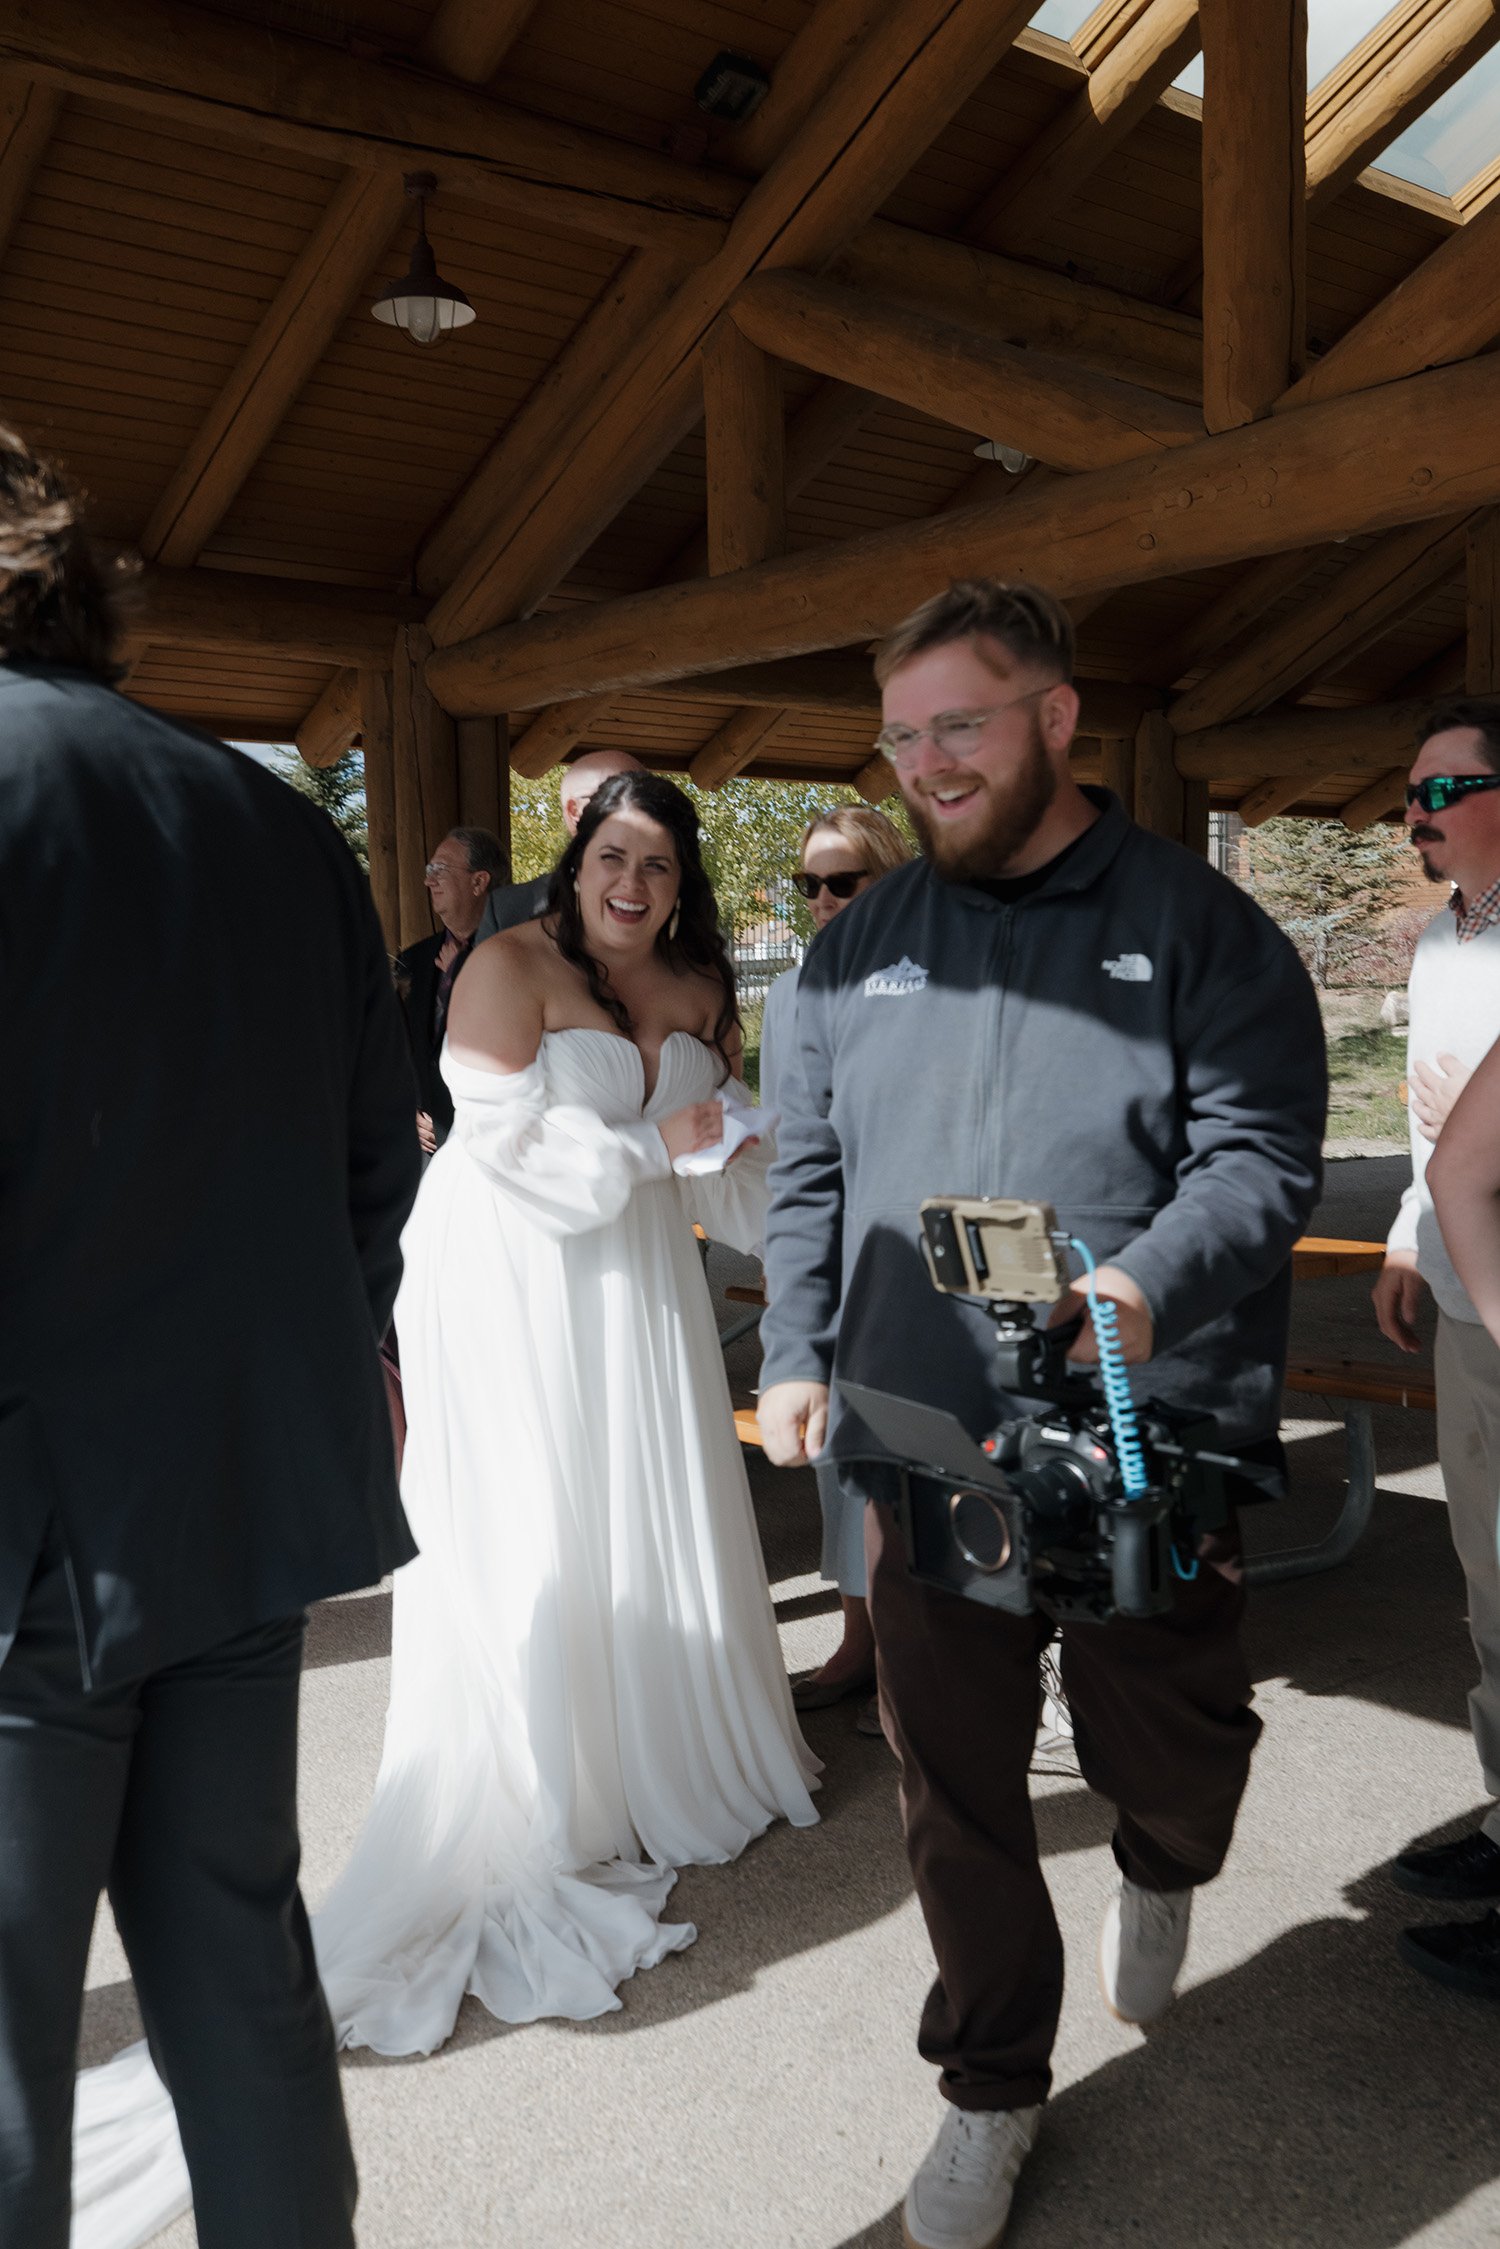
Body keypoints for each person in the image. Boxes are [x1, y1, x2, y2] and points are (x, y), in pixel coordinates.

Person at [757, 579, 1325, 2249]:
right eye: (905, 729)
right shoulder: (851, 949)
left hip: (1145, 1424)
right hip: (922, 1426)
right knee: (956, 1779)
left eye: (965, 721)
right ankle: (991, 2081)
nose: (929, 760)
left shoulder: (1201, 923)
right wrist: (799, 1343)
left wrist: (1146, 1279)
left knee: (1176, 1746)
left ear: (1057, 716)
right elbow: (808, 1173)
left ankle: (1163, 1856)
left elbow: (1262, 1155)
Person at [0, 424, 421, 2248]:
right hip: (243, 1495)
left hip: (24, 1529)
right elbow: (373, 1169)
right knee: (241, 1965)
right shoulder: (277, 821)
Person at [308, 767, 819, 2050]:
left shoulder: (704, 982)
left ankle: (663, 1747)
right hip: (513, 1278)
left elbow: (720, 1148)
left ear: (680, 882)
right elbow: (507, 1149)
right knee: (539, 1508)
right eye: (614, 858)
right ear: (575, 858)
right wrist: (662, 1141)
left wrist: (763, 1171)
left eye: (658, 865)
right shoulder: (505, 966)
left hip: (640, 1277)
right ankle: (559, 1782)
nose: (633, 885)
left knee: (639, 1496)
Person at [1371, 695, 1500, 1996]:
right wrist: (1410, 1230)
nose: (1417, 812)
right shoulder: (1439, 938)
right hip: (1467, 1314)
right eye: (1413, 793)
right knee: (1492, 1590)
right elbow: (1434, 1116)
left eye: (1444, 790)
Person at [759, 804, 910, 1739]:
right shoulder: (788, 991)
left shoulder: (934, 978)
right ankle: (858, 1637)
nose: (821, 899)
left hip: (903, 1243)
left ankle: (911, 1655)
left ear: (888, 879)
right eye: (808, 883)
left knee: (905, 1448)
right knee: (831, 1450)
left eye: (842, 880)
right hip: (827, 1244)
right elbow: (790, 1133)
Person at [396, 824, 507, 1151]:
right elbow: (398, 1050)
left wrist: (464, 975)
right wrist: (408, 1110)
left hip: (496, 1144)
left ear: (478, 881)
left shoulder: (520, 957)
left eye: (440, 870)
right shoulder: (412, 960)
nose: (429, 880)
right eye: (429, 870)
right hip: (428, 1154)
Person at [477, 746, 644, 937]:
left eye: (646, 797)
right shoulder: (507, 911)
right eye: (616, 796)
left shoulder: (679, 897)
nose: (637, 809)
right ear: (575, 812)